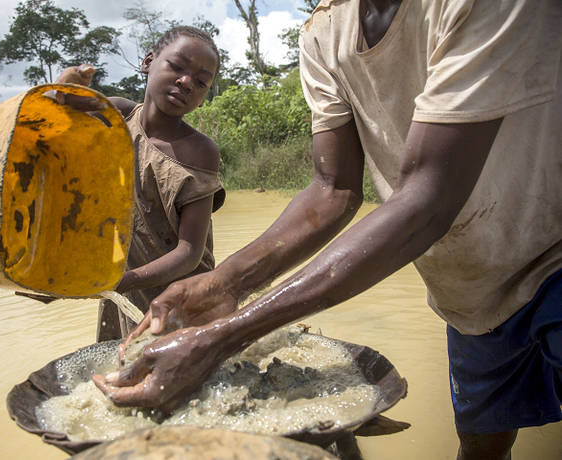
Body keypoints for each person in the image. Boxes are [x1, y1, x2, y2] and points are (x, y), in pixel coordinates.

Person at [93, 1, 562, 459]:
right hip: (470, 289)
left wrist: (225, 334)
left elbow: (428, 197)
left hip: (552, 254)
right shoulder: (325, 30)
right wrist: (225, 284)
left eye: (201, 80)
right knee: (483, 438)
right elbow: (333, 190)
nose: (187, 84)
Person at [52, 26, 226, 339]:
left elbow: (190, 251)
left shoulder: (200, 151)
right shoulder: (117, 114)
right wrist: (66, 86)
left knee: (188, 374)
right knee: (123, 368)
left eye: (201, 82)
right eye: (176, 66)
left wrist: (122, 281)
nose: (186, 82)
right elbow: (56, 115)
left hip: (185, 297)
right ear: (148, 61)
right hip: (127, 290)